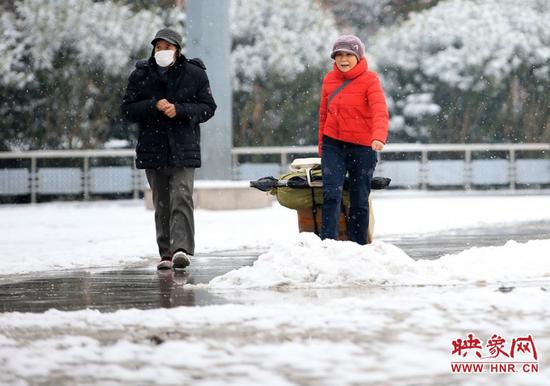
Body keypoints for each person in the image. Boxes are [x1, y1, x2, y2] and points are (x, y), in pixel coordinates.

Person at [121, 28, 217, 270]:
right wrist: (153, 105)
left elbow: (208, 107)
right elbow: (127, 110)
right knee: (161, 201)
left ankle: (181, 251)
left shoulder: (195, 73)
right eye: (158, 47)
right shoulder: (141, 75)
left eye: (167, 47)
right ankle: (165, 253)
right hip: (152, 148)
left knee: (182, 197)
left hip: (184, 148)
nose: (162, 51)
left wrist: (181, 110)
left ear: (178, 49)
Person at [318, 34, 389, 245]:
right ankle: (327, 244)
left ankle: (358, 248)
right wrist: (322, 143)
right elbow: (323, 113)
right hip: (334, 144)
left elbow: (380, 111)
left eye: (348, 54)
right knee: (331, 195)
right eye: (338, 55)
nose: (343, 59)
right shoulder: (329, 80)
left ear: (358, 56)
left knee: (359, 198)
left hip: (363, 147)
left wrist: (378, 137)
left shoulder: (370, 80)